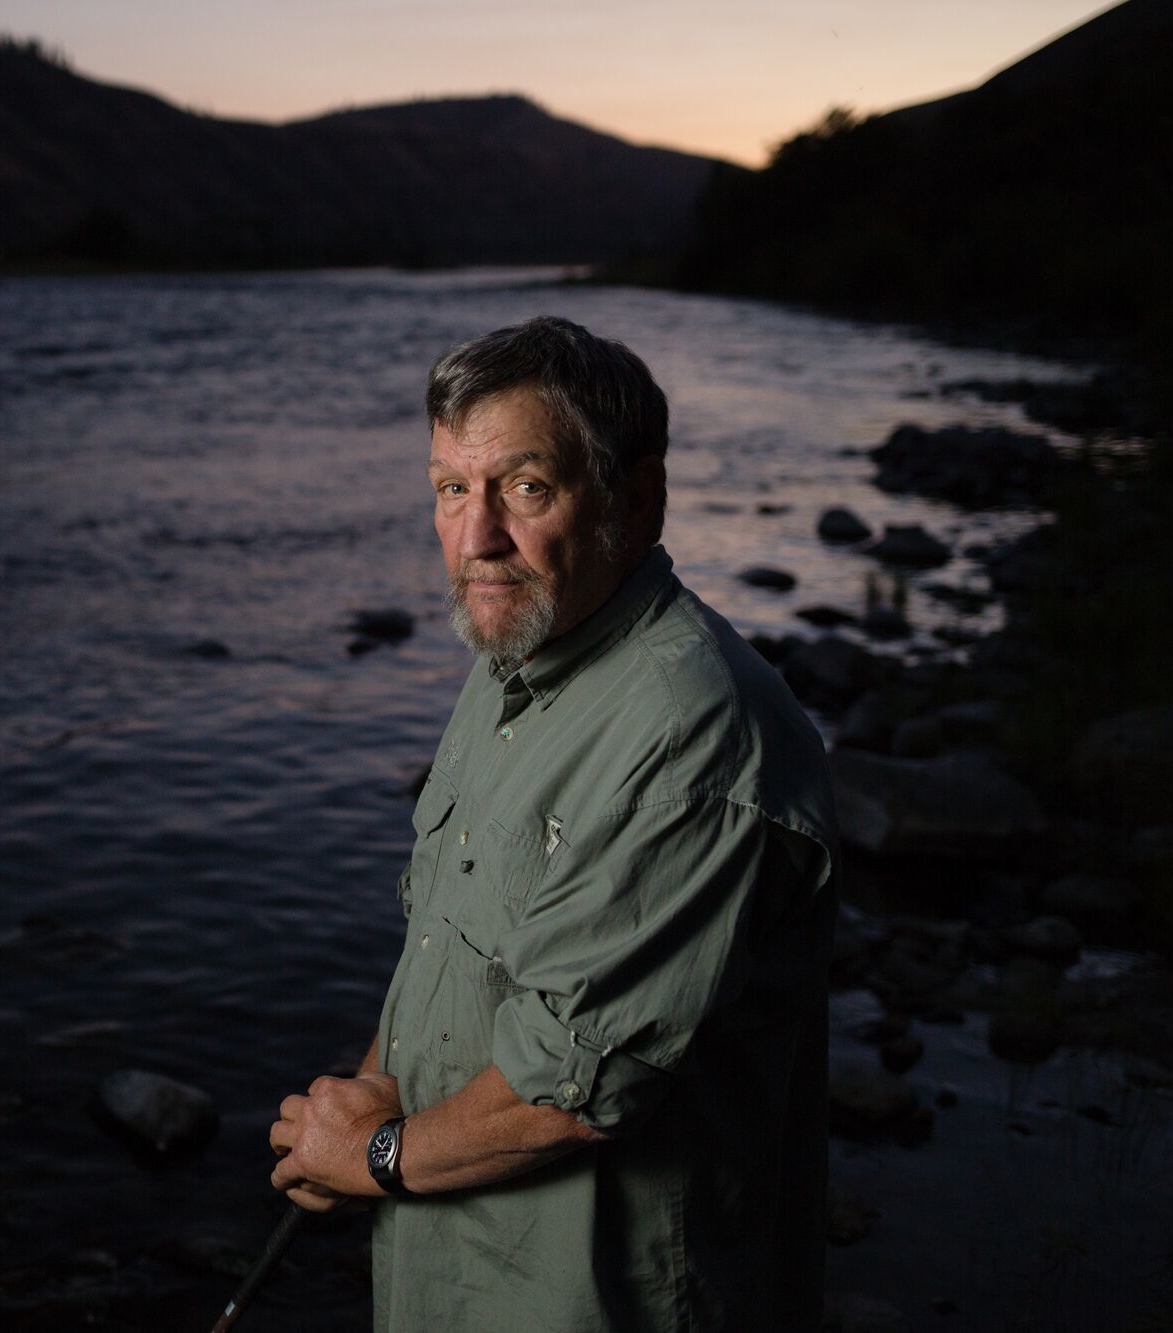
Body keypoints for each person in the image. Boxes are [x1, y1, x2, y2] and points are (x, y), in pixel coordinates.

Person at [268, 316, 839, 1331]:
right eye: (451, 489)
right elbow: (444, 945)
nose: (476, 537)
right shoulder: (515, 661)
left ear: (637, 497)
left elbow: (567, 1090)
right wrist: (346, 1115)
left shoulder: (689, 737)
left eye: (524, 487)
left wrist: (368, 1157)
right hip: (454, 1274)